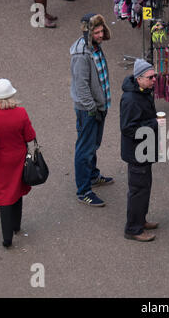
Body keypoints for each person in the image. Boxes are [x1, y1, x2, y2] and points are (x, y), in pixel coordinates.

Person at [0, 79, 37, 248]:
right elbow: (30, 136)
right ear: (12, 95)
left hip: (0, 162)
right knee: (17, 190)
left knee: (4, 195)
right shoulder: (21, 112)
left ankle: (7, 239)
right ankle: (16, 227)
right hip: (18, 159)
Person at [70, 13, 114, 207]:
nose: (100, 35)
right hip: (89, 110)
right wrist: (91, 109)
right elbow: (81, 86)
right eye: (96, 32)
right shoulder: (81, 54)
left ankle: (93, 176)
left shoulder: (95, 47)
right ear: (88, 32)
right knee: (85, 149)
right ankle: (84, 191)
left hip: (99, 106)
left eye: (101, 31)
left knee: (93, 144)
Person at [120, 58, 160, 242]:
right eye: (151, 77)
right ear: (139, 78)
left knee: (144, 188)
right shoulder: (130, 99)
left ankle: (140, 220)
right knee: (138, 191)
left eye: (154, 76)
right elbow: (128, 128)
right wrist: (154, 124)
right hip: (137, 153)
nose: (154, 80)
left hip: (144, 150)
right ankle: (133, 229)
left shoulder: (144, 92)